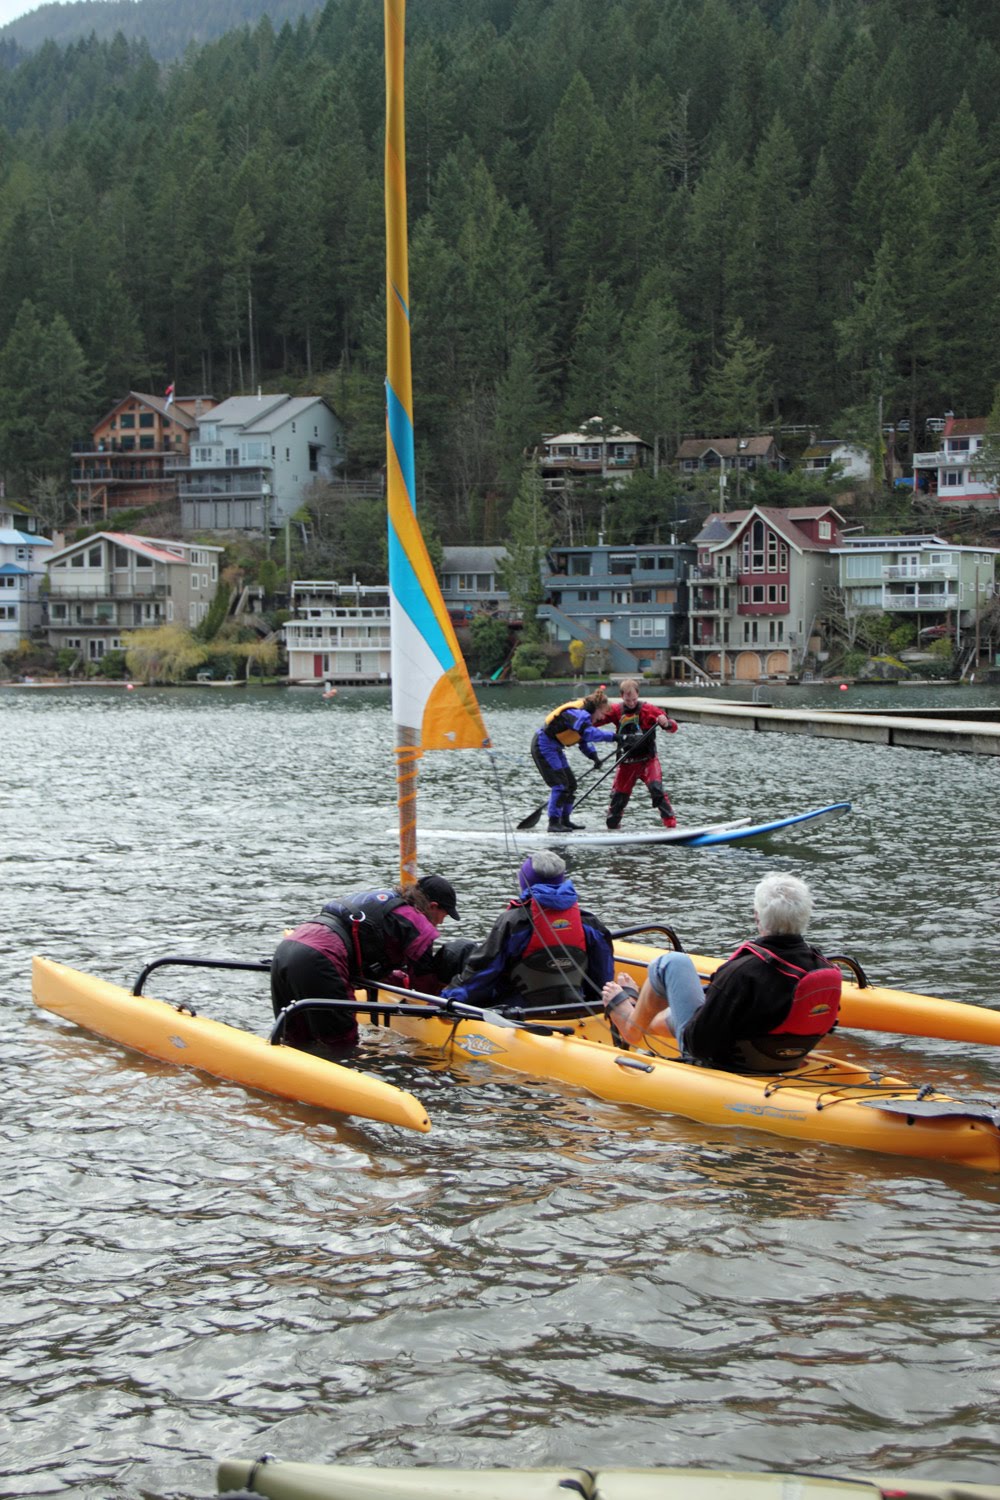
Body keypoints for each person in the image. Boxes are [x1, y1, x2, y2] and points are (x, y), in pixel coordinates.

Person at [601, 873, 841, 1073]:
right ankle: (645, 1019)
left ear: (758, 918)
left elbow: (700, 1042)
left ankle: (632, 1027)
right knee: (682, 1010)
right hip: (785, 1058)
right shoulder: (821, 966)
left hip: (728, 1060)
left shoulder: (743, 972)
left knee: (672, 963)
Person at [270, 874, 468, 1051]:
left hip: (287, 948)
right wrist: (445, 1003)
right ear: (433, 906)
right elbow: (424, 984)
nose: (442, 921)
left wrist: (398, 980)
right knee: (342, 1046)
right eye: (445, 914)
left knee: (295, 1039)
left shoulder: (384, 900)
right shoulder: (417, 923)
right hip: (321, 958)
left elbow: (370, 954)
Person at [442, 850, 614, 1013]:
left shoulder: (514, 922)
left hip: (519, 1013)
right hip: (575, 1008)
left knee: (462, 950)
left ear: (525, 882)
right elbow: (603, 979)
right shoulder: (590, 923)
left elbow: (482, 974)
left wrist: (447, 999)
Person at [531, 687, 617, 833]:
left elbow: (583, 740)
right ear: (595, 708)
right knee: (560, 785)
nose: (603, 717)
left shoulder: (583, 717)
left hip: (555, 747)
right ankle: (553, 823)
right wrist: (615, 737)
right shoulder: (576, 713)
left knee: (571, 785)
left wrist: (593, 757)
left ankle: (564, 820)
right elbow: (589, 733)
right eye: (602, 713)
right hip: (543, 746)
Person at [602, 678, 679, 829]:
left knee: (656, 789)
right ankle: (613, 826)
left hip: (647, 761)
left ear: (638, 695)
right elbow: (596, 720)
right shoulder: (616, 710)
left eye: (634, 699)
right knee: (618, 799)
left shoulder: (649, 710)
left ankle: (671, 825)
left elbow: (673, 727)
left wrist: (666, 722)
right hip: (626, 762)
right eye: (627, 699)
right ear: (621, 696)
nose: (631, 703)